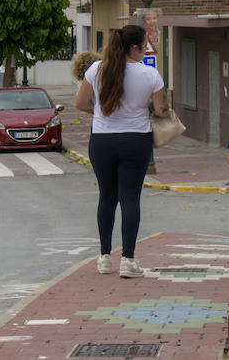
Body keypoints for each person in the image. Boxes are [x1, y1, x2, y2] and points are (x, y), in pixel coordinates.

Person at [75, 25, 170, 278]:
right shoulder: (150, 74)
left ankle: (105, 257)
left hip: (102, 140)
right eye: (144, 46)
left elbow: (80, 103)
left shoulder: (96, 70)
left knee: (107, 197)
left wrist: (99, 113)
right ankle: (128, 260)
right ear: (135, 48)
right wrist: (161, 110)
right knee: (130, 198)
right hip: (136, 139)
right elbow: (161, 110)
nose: (145, 50)